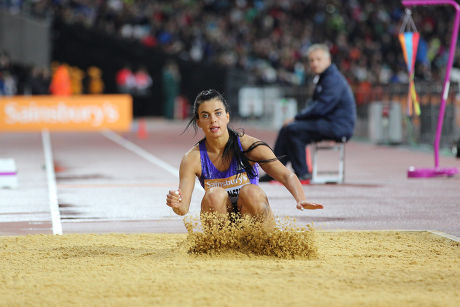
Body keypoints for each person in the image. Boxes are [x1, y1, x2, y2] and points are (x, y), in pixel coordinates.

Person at [166, 89, 323, 228]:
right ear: (199, 122)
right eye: (205, 115)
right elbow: (183, 208)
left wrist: (300, 199)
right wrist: (176, 204)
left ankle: (265, 241)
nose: (213, 120)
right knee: (214, 195)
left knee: (251, 192)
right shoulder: (192, 158)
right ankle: (219, 249)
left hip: (253, 219)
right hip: (223, 226)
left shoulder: (249, 146)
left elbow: (285, 174)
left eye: (218, 113)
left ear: (227, 116)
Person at [260, 44, 356, 182]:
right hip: (327, 121)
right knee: (287, 129)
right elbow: (315, 106)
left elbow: (321, 107)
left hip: (338, 126)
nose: (314, 63)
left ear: (328, 60)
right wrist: (298, 119)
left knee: (294, 129)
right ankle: (275, 170)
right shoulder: (324, 77)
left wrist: (297, 118)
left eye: (318, 59)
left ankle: (302, 173)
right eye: (311, 60)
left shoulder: (333, 79)